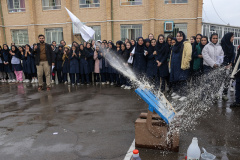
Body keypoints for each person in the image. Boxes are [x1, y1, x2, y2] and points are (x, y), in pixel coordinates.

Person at [169, 31, 192, 101]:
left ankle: (184, 94)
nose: (178, 37)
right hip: (174, 65)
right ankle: (178, 93)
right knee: (176, 80)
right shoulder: (176, 44)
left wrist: (184, 65)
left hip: (182, 65)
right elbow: (171, 55)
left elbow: (188, 55)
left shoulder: (186, 44)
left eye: (180, 36)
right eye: (177, 36)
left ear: (183, 37)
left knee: (182, 80)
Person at [221, 32, 235, 101]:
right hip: (222, 66)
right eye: (232, 37)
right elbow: (220, 56)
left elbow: (233, 55)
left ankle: (224, 94)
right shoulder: (222, 46)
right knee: (219, 80)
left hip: (229, 66)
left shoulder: (232, 46)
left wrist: (231, 63)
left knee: (227, 80)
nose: (233, 38)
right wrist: (224, 64)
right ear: (228, 38)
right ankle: (215, 94)